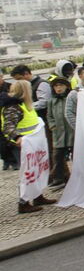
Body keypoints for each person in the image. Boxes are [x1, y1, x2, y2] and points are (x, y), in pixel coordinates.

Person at [2, 80, 54, 213]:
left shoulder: (24, 105)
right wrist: (17, 138)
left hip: (31, 145)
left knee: (35, 170)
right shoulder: (14, 107)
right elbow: (8, 126)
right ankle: (23, 203)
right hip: (21, 146)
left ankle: (37, 196)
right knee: (27, 173)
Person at [45, 76, 73, 189]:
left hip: (72, 132)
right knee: (57, 156)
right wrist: (52, 126)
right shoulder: (52, 101)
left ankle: (81, 177)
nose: (59, 88)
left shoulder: (70, 99)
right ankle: (58, 178)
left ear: (66, 87)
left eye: (61, 85)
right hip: (58, 134)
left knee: (76, 155)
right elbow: (49, 115)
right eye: (56, 86)